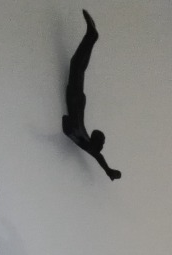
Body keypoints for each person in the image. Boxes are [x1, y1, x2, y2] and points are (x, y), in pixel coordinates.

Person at [62, 10, 121, 181]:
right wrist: (108, 170)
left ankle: (91, 37)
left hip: (77, 99)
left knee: (77, 66)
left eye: (100, 141)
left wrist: (109, 170)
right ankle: (91, 37)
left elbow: (98, 156)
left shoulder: (85, 139)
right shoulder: (85, 139)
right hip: (76, 99)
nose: (102, 144)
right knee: (77, 67)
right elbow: (98, 157)